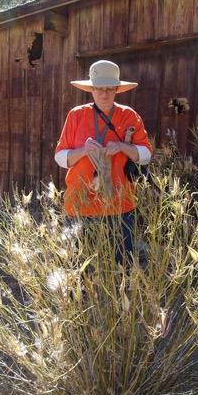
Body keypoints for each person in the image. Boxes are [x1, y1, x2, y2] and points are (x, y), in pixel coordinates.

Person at [54, 60, 152, 261]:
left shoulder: (129, 116)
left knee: (120, 268)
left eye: (109, 88)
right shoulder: (76, 115)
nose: (104, 94)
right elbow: (61, 158)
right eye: (99, 88)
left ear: (117, 89)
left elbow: (146, 155)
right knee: (79, 270)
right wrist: (83, 150)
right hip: (80, 206)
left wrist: (122, 146)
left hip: (120, 207)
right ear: (91, 89)